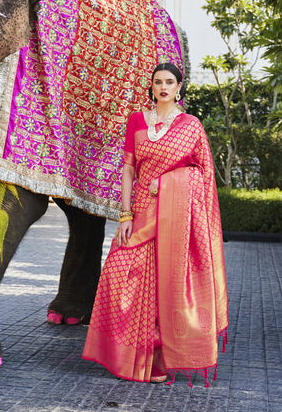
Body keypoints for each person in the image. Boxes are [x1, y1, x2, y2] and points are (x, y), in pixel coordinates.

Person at [82, 62, 228, 386]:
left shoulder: (191, 126)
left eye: (169, 82)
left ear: (179, 87)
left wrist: (168, 183)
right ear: (152, 87)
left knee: (164, 285)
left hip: (173, 217)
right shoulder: (137, 121)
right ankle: (123, 355)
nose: (163, 87)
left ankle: (157, 359)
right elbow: (128, 171)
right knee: (118, 275)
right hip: (140, 213)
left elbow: (203, 176)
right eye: (158, 82)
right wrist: (124, 214)